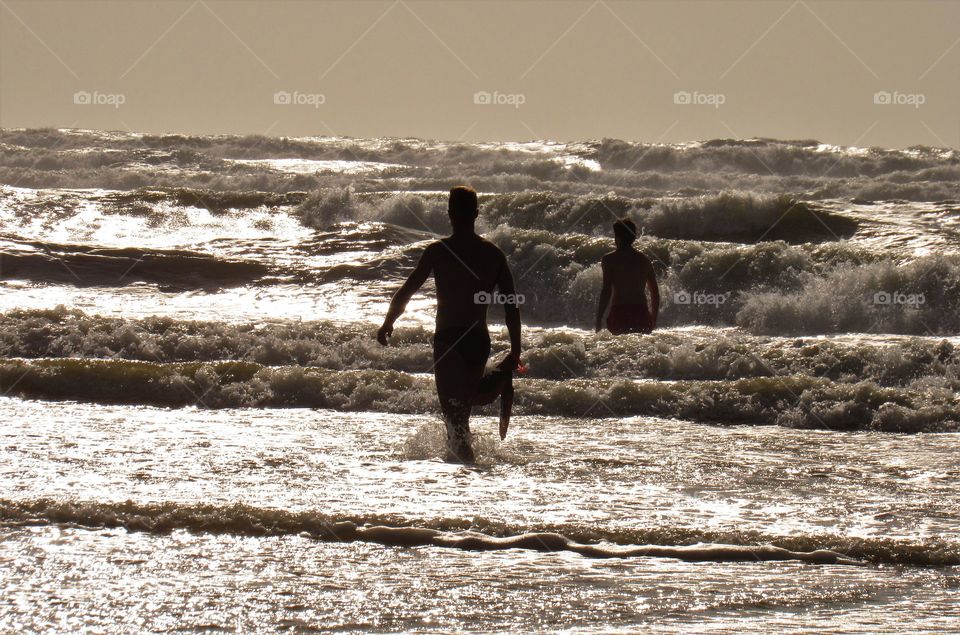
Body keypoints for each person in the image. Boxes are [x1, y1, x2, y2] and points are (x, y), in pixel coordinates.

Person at [377, 186, 522, 463]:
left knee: (453, 418)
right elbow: (511, 306)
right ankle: (499, 378)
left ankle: (465, 475)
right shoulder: (493, 254)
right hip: (478, 338)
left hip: (448, 339)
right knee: (462, 412)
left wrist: (388, 322)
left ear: (449, 214)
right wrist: (515, 351)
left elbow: (408, 289)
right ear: (476, 214)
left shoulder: (438, 251)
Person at [595, 218, 659, 335]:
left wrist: (599, 317)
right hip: (640, 313)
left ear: (618, 238)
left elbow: (606, 290)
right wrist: (653, 319)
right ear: (633, 237)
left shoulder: (609, 260)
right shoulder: (644, 260)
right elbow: (655, 293)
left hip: (619, 312)